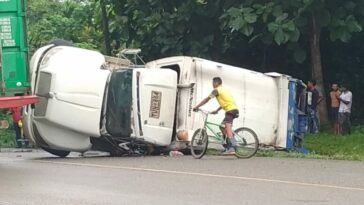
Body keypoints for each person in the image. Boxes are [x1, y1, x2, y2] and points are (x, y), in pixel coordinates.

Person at [193, 77, 239, 154]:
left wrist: (197, 106)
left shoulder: (216, 90)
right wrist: (216, 111)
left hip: (230, 111)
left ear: (216, 83)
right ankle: (227, 145)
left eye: (213, 83)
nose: (212, 84)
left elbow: (207, 99)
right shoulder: (224, 90)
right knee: (221, 126)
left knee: (227, 127)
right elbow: (225, 103)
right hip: (233, 110)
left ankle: (232, 148)